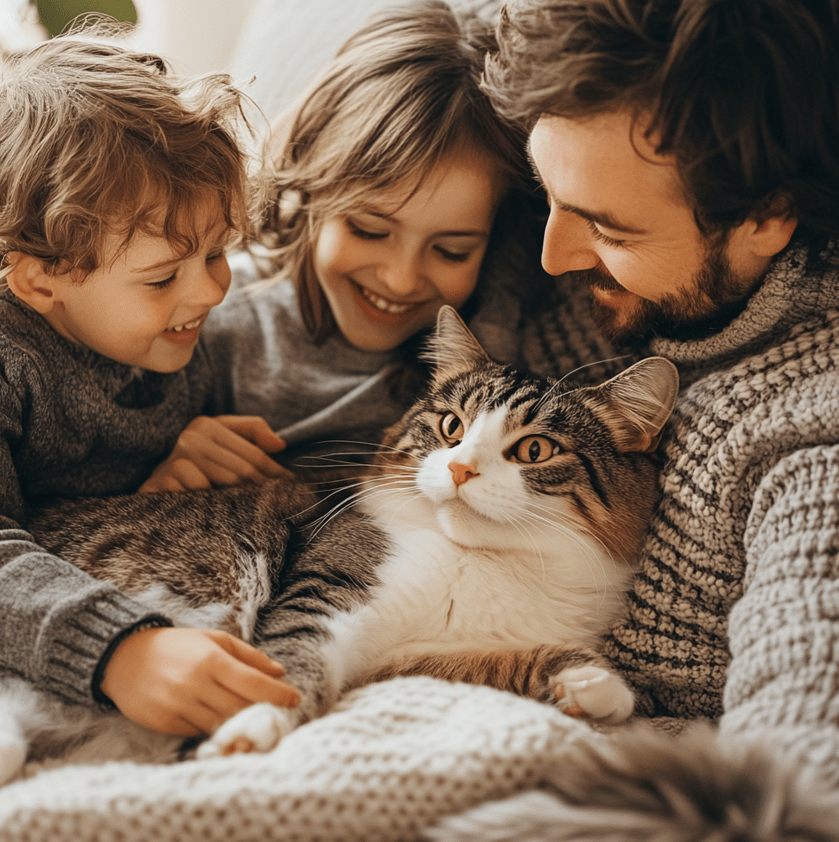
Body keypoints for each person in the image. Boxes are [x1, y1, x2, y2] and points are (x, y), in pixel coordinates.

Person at [467, 0, 839, 784]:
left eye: (608, 231)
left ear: (767, 218)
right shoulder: (577, 162)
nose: (552, 257)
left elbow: (803, 730)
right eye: (544, 196)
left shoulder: (812, 422)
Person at [0, 33, 301, 740]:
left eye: (220, 250)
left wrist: (165, 461)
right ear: (40, 278)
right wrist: (120, 650)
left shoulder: (167, 326)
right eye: (164, 275)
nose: (211, 290)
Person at [142, 0, 540, 492]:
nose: (400, 279)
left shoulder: (497, 330)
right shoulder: (207, 318)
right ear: (310, 193)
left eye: (451, 251)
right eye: (369, 231)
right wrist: (159, 470)